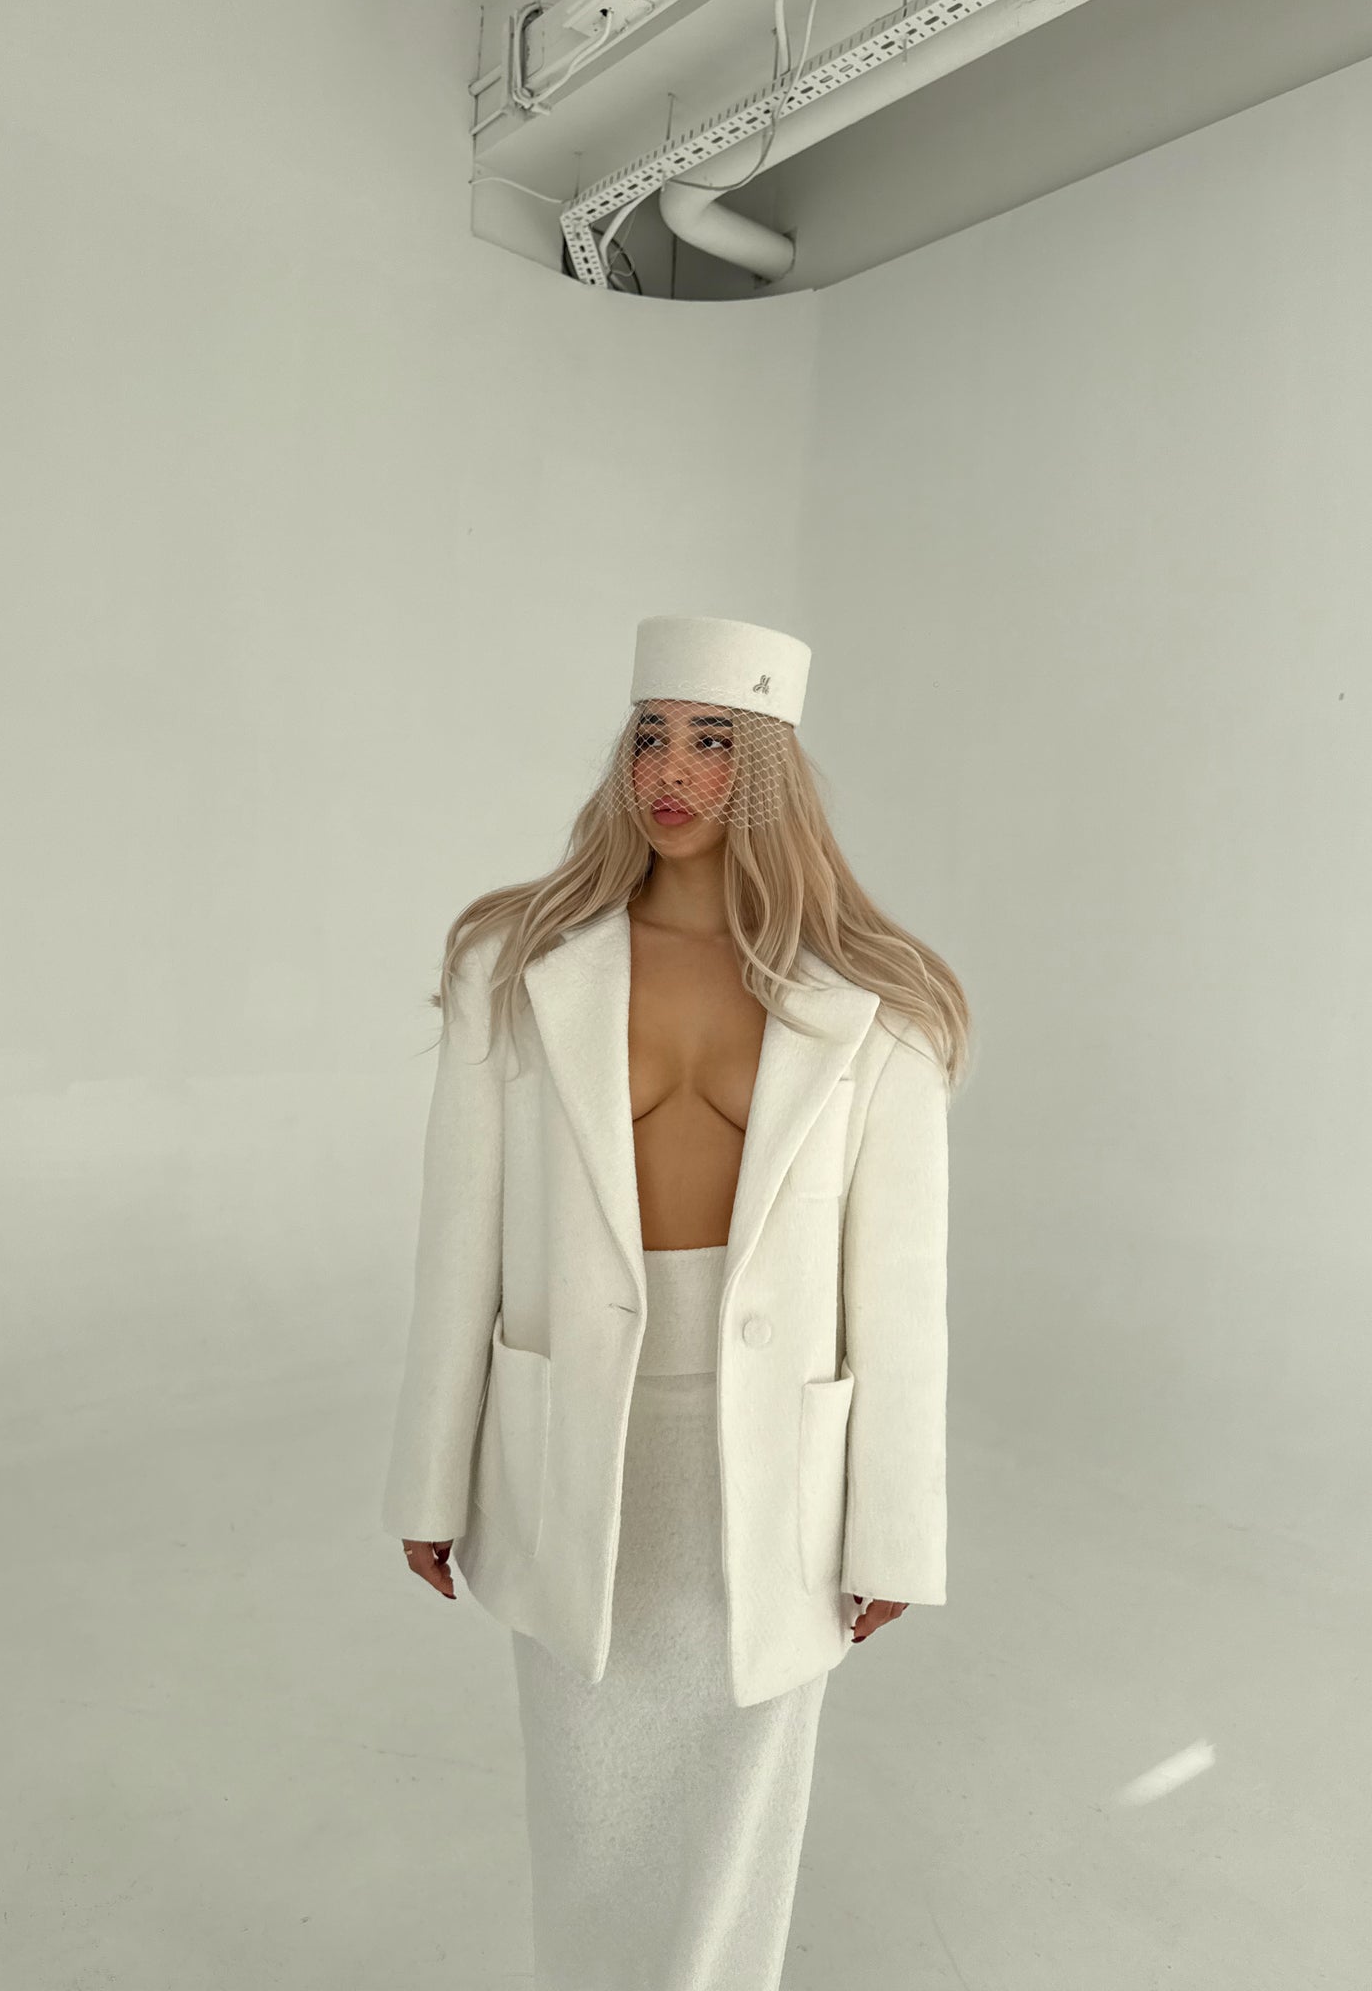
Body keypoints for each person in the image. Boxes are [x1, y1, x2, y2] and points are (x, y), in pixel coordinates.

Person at [381, 613, 969, 1991]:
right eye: (651, 736)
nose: (674, 772)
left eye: (715, 741)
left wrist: (895, 1528)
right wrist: (430, 1480)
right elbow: (458, 1244)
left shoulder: (880, 1003)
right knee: (589, 1798)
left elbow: (902, 1294)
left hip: (774, 1454)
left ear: (771, 770)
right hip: (575, 1431)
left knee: (740, 1801)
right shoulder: (512, 964)